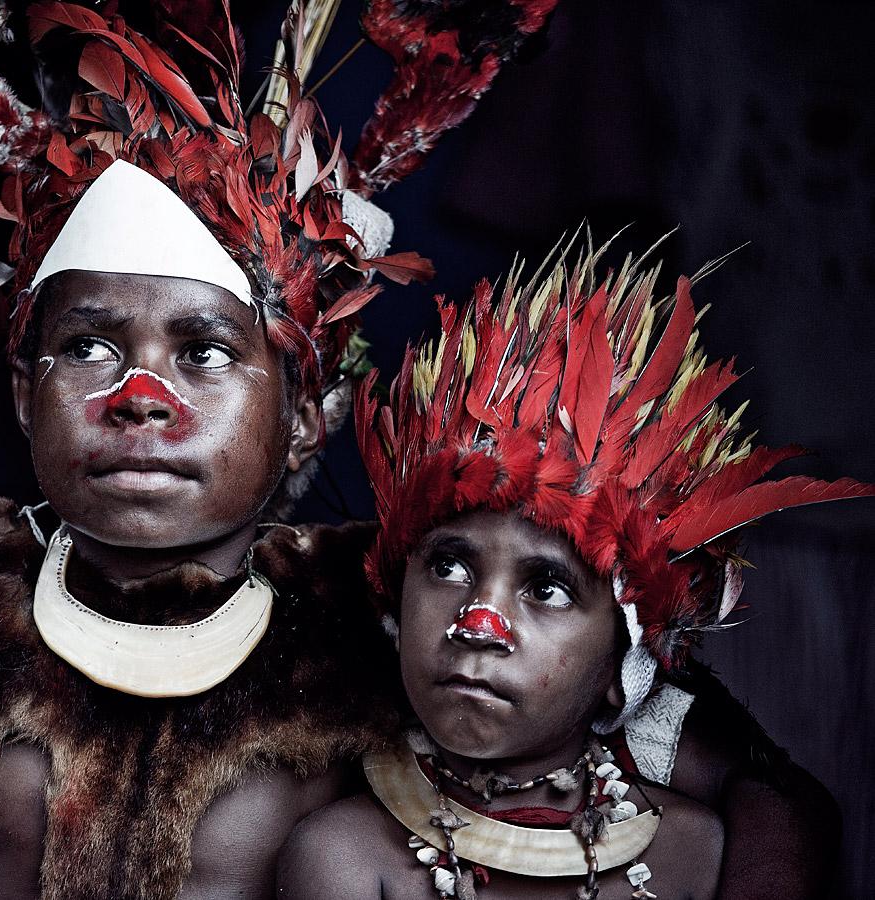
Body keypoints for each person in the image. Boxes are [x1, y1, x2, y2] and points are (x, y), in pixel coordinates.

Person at [0, 2, 558, 898]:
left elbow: (668, 764)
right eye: (91, 349)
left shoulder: (386, 660)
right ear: (26, 396)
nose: (140, 399)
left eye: (206, 353)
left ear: (302, 413)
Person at [278, 245, 873, 899]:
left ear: (624, 676)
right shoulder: (341, 859)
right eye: (448, 565)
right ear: (392, 606)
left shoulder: (698, 854)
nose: (480, 622)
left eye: (547, 588)